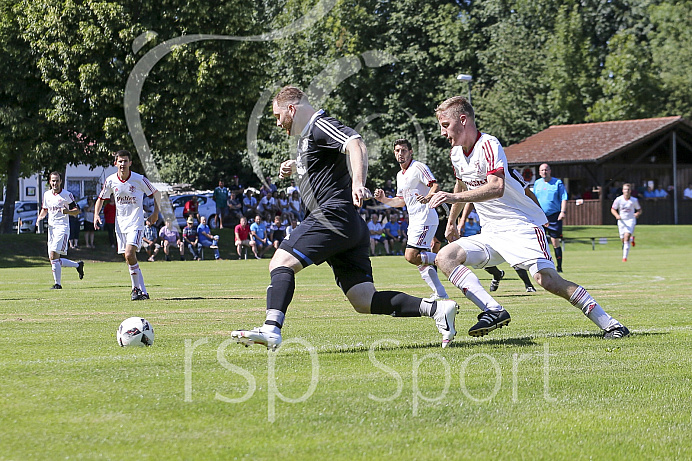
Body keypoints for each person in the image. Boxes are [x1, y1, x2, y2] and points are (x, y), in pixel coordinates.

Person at [231, 85, 458, 350]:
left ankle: (271, 328)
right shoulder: (307, 138)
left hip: (331, 216)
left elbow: (355, 143)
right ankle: (437, 310)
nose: (278, 123)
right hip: (347, 225)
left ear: (291, 109)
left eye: (278, 116)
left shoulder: (320, 124)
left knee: (280, 263)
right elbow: (322, 164)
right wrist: (295, 165)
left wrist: (358, 183)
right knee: (364, 300)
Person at [428, 95, 629, 339]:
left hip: (521, 226)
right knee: (445, 257)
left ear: (463, 120)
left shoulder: (488, 145)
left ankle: (612, 325)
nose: (442, 132)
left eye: (445, 125)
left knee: (547, 280)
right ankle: (493, 309)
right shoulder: (456, 154)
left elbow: (496, 187)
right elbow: (461, 185)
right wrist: (452, 223)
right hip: (491, 232)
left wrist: (452, 198)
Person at [373, 138, 448, 300]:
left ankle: (449, 258)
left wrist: (428, 197)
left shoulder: (418, 167)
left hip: (426, 217)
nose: (400, 154)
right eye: (397, 151)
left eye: (404, 150)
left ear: (410, 152)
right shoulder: (400, 175)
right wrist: (383, 200)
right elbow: (401, 201)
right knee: (420, 260)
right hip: (414, 221)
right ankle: (440, 293)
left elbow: (435, 185)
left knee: (411, 255)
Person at [94, 150, 160, 301]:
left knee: (130, 254)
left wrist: (155, 213)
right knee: (128, 257)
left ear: (130, 163)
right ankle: (142, 291)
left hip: (136, 223)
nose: (122, 164)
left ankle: (135, 289)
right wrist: (96, 214)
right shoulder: (111, 180)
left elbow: (157, 193)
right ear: (115, 163)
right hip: (120, 225)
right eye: (120, 161)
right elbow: (101, 198)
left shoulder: (139, 179)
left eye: (125, 161)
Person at [36, 172, 84, 289]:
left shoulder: (67, 195)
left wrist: (67, 212)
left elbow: (77, 211)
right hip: (51, 229)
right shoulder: (47, 195)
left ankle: (58, 284)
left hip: (62, 228)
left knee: (53, 255)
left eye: (57, 181)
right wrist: (39, 218)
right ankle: (78, 265)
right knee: (53, 258)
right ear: (49, 182)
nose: (55, 183)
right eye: (53, 181)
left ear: (61, 181)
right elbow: (44, 209)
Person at [533, 163, 568, 272]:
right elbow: (532, 199)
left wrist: (562, 212)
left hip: (554, 216)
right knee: (540, 243)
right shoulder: (537, 183)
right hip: (540, 216)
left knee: (555, 242)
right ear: (539, 172)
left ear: (550, 171)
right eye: (542, 170)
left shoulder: (557, 183)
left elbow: (564, 198)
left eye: (546, 170)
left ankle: (559, 266)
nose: (544, 172)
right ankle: (543, 266)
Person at [611, 183, 642, 262]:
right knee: (623, 239)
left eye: (628, 190)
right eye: (625, 189)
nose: (626, 191)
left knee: (626, 237)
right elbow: (613, 209)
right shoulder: (618, 199)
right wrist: (617, 215)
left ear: (630, 191)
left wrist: (637, 214)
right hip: (621, 221)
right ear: (622, 190)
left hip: (630, 220)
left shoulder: (634, 200)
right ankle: (631, 240)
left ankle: (624, 258)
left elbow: (639, 209)